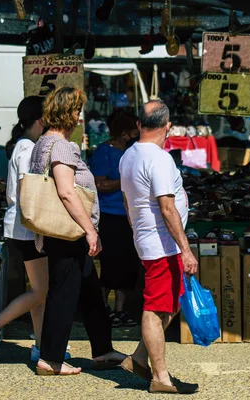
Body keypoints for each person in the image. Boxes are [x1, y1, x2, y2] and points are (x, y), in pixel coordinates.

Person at [29, 87, 126, 375]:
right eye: (77, 110)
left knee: (91, 292)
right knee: (63, 294)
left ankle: (103, 350)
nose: (79, 116)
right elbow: (67, 192)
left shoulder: (42, 142)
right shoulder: (60, 146)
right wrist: (90, 230)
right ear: (68, 112)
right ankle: (51, 359)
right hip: (67, 231)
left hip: (63, 231)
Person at [0, 96, 70, 363]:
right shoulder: (28, 149)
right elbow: (30, 190)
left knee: (41, 289)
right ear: (41, 121)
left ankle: (40, 345)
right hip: (27, 228)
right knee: (41, 291)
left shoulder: (24, 145)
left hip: (23, 226)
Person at [119, 100, 199, 394]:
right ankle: (161, 378)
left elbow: (128, 202)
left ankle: (140, 358)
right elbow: (167, 208)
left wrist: (136, 231)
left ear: (139, 125)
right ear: (167, 127)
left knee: (171, 302)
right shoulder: (160, 159)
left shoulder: (128, 156)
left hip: (148, 240)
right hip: (162, 245)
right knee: (154, 308)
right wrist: (187, 250)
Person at [90, 109, 140, 328]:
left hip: (130, 217)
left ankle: (120, 310)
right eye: (132, 132)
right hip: (109, 216)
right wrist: (126, 182)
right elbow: (99, 183)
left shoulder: (131, 152)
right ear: (123, 133)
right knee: (110, 264)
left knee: (127, 264)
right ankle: (102, 309)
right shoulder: (104, 152)